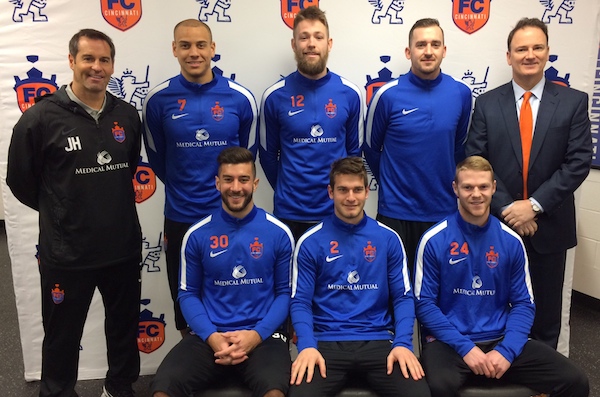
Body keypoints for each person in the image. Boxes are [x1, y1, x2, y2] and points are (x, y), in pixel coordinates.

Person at [7, 29, 142, 397]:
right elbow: (21, 181)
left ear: (112, 65)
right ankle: (57, 391)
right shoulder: (39, 119)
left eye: (104, 60)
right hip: (67, 255)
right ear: (71, 61)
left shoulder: (127, 116)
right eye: (88, 59)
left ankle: (118, 387)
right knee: (62, 335)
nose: (96, 67)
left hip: (122, 249)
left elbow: (127, 169)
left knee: (123, 327)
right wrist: (63, 209)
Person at [414, 156, 589, 397]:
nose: (476, 194)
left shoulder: (511, 241)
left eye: (483, 187)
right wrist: (466, 348)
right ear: (455, 188)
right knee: (437, 386)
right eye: (468, 187)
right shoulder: (434, 240)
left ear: (494, 187)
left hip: (500, 337)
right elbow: (424, 306)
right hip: (450, 343)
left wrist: (507, 350)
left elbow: (523, 304)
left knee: (575, 381)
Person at [465, 17, 592, 349]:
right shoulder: (487, 104)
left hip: (549, 226)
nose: (529, 54)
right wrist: (509, 208)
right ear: (509, 56)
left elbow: (578, 162)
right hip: (497, 225)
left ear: (548, 52)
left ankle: (542, 382)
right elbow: (477, 162)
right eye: (521, 49)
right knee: (494, 309)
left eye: (537, 47)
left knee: (546, 316)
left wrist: (533, 207)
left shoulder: (573, 102)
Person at [142, 19, 258, 334]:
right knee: (186, 300)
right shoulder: (157, 100)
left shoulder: (240, 98)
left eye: (200, 45)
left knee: (234, 289)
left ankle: (238, 364)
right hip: (181, 216)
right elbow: (157, 161)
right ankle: (192, 363)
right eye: (185, 45)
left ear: (212, 49)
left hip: (230, 217)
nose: (194, 52)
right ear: (174, 49)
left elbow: (248, 158)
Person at [151, 147, 294, 397]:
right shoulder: (196, 235)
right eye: (228, 179)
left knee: (275, 392)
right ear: (217, 183)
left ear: (255, 183)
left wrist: (256, 335)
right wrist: (212, 336)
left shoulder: (279, 233)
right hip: (209, 336)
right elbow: (187, 295)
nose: (235, 187)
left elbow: (285, 294)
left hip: (263, 337)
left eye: (243, 179)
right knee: (162, 389)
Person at [289, 157, 431, 397]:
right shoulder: (311, 241)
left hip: (378, 341)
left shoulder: (388, 238)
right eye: (343, 190)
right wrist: (307, 345)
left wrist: (403, 343)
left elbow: (403, 298)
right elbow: (300, 301)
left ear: (367, 192)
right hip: (325, 343)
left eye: (357, 190)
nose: (351, 197)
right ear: (330, 192)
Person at [363, 18, 471, 275]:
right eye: (421, 44)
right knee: (394, 295)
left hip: (442, 213)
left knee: (436, 295)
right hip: (395, 213)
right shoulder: (386, 95)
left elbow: (458, 149)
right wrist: (392, 183)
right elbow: (370, 149)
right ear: (408, 52)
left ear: (444, 50)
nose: (428, 51)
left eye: (435, 44)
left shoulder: (461, 93)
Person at [259, 6, 363, 240]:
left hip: (336, 212)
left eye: (318, 37)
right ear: (294, 44)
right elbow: (267, 156)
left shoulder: (350, 94)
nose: (311, 44)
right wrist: (290, 189)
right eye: (303, 37)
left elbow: (354, 155)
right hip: (290, 213)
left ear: (329, 43)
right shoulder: (275, 96)